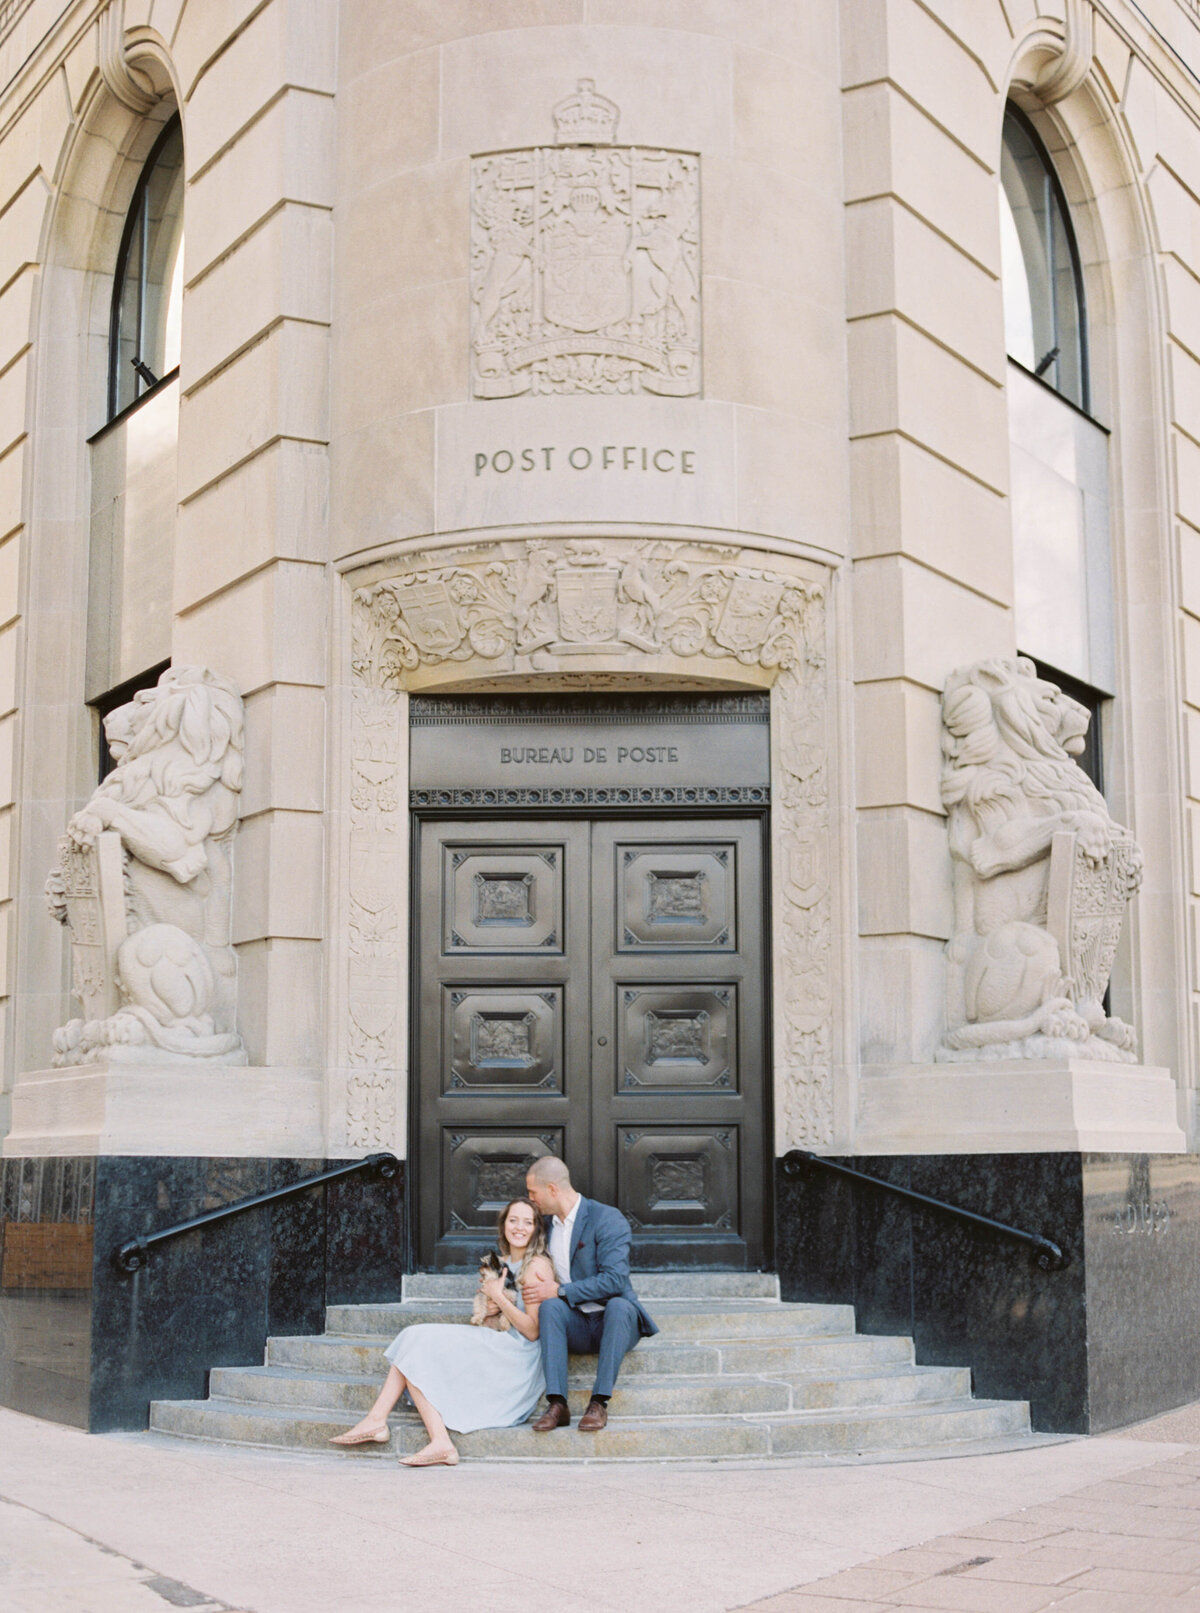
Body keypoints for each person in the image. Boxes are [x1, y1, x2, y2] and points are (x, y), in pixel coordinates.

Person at [329, 1198, 554, 1467]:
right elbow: (488, 1320)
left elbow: (532, 1331)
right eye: (513, 1220)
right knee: (414, 1340)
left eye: (527, 1222)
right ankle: (420, 1435)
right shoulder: (499, 1262)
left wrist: (499, 1297)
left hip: (518, 1357)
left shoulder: (537, 1266)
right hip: (495, 1342)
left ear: (537, 1229)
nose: (519, 1227)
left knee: (416, 1342)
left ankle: (385, 1423)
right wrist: (492, 1310)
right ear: (503, 1224)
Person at [522, 1156, 658, 1433]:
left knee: (620, 1306)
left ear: (552, 1189)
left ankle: (599, 1402)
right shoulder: (546, 1226)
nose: (530, 1199)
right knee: (550, 1308)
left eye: (533, 1192)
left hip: (615, 1322)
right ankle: (558, 1403)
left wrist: (560, 1290)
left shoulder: (606, 1218)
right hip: (577, 1324)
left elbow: (615, 1279)